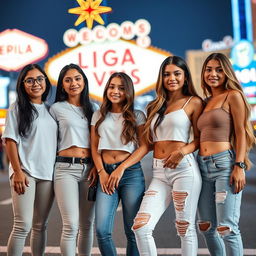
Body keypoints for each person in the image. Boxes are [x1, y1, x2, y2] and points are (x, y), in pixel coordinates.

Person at [132, 56, 204, 256]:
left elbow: (199, 139)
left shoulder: (194, 102)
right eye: (167, 74)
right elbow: (147, 143)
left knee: (185, 228)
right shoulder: (154, 105)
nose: (171, 78)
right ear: (161, 78)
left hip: (184, 170)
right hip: (159, 172)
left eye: (177, 73)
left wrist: (182, 151)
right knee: (141, 227)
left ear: (185, 77)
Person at [197, 52, 255, 256]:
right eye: (209, 69)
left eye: (219, 70)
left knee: (227, 228)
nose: (213, 74)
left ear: (227, 73)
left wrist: (239, 166)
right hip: (201, 167)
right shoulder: (205, 101)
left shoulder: (233, 96)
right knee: (205, 226)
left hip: (224, 165)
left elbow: (241, 133)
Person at [2, 64, 57, 256]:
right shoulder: (17, 108)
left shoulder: (51, 111)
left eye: (40, 79)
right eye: (30, 80)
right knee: (22, 225)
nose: (36, 84)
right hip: (24, 173)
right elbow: (10, 141)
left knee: (40, 225)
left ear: (46, 82)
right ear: (23, 85)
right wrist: (17, 171)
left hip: (48, 174)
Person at [91, 72, 148, 256]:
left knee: (133, 232)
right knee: (101, 231)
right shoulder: (98, 115)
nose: (115, 91)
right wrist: (102, 172)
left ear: (128, 92)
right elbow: (94, 147)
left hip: (130, 174)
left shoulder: (137, 115)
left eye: (121, 88)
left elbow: (145, 146)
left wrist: (122, 168)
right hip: (105, 174)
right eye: (112, 86)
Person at [49, 64, 96, 256]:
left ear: (84, 81)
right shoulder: (56, 108)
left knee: (87, 224)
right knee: (71, 224)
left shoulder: (95, 108)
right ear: (62, 85)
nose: (73, 83)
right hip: (64, 169)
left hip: (90, 170)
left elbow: (99, 142)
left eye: (77, 78)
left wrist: (97, 167)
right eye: (67, 80)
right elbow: (48, 140)